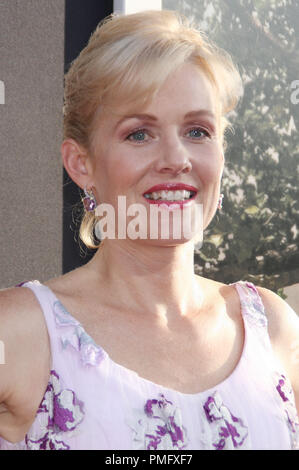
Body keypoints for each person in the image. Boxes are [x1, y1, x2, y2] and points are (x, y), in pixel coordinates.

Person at [0, 9, 298, 451]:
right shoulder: (20, 333)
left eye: (198, 130)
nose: (176, 159)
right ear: (82, 164)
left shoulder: (272, 329)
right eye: (139, 134)